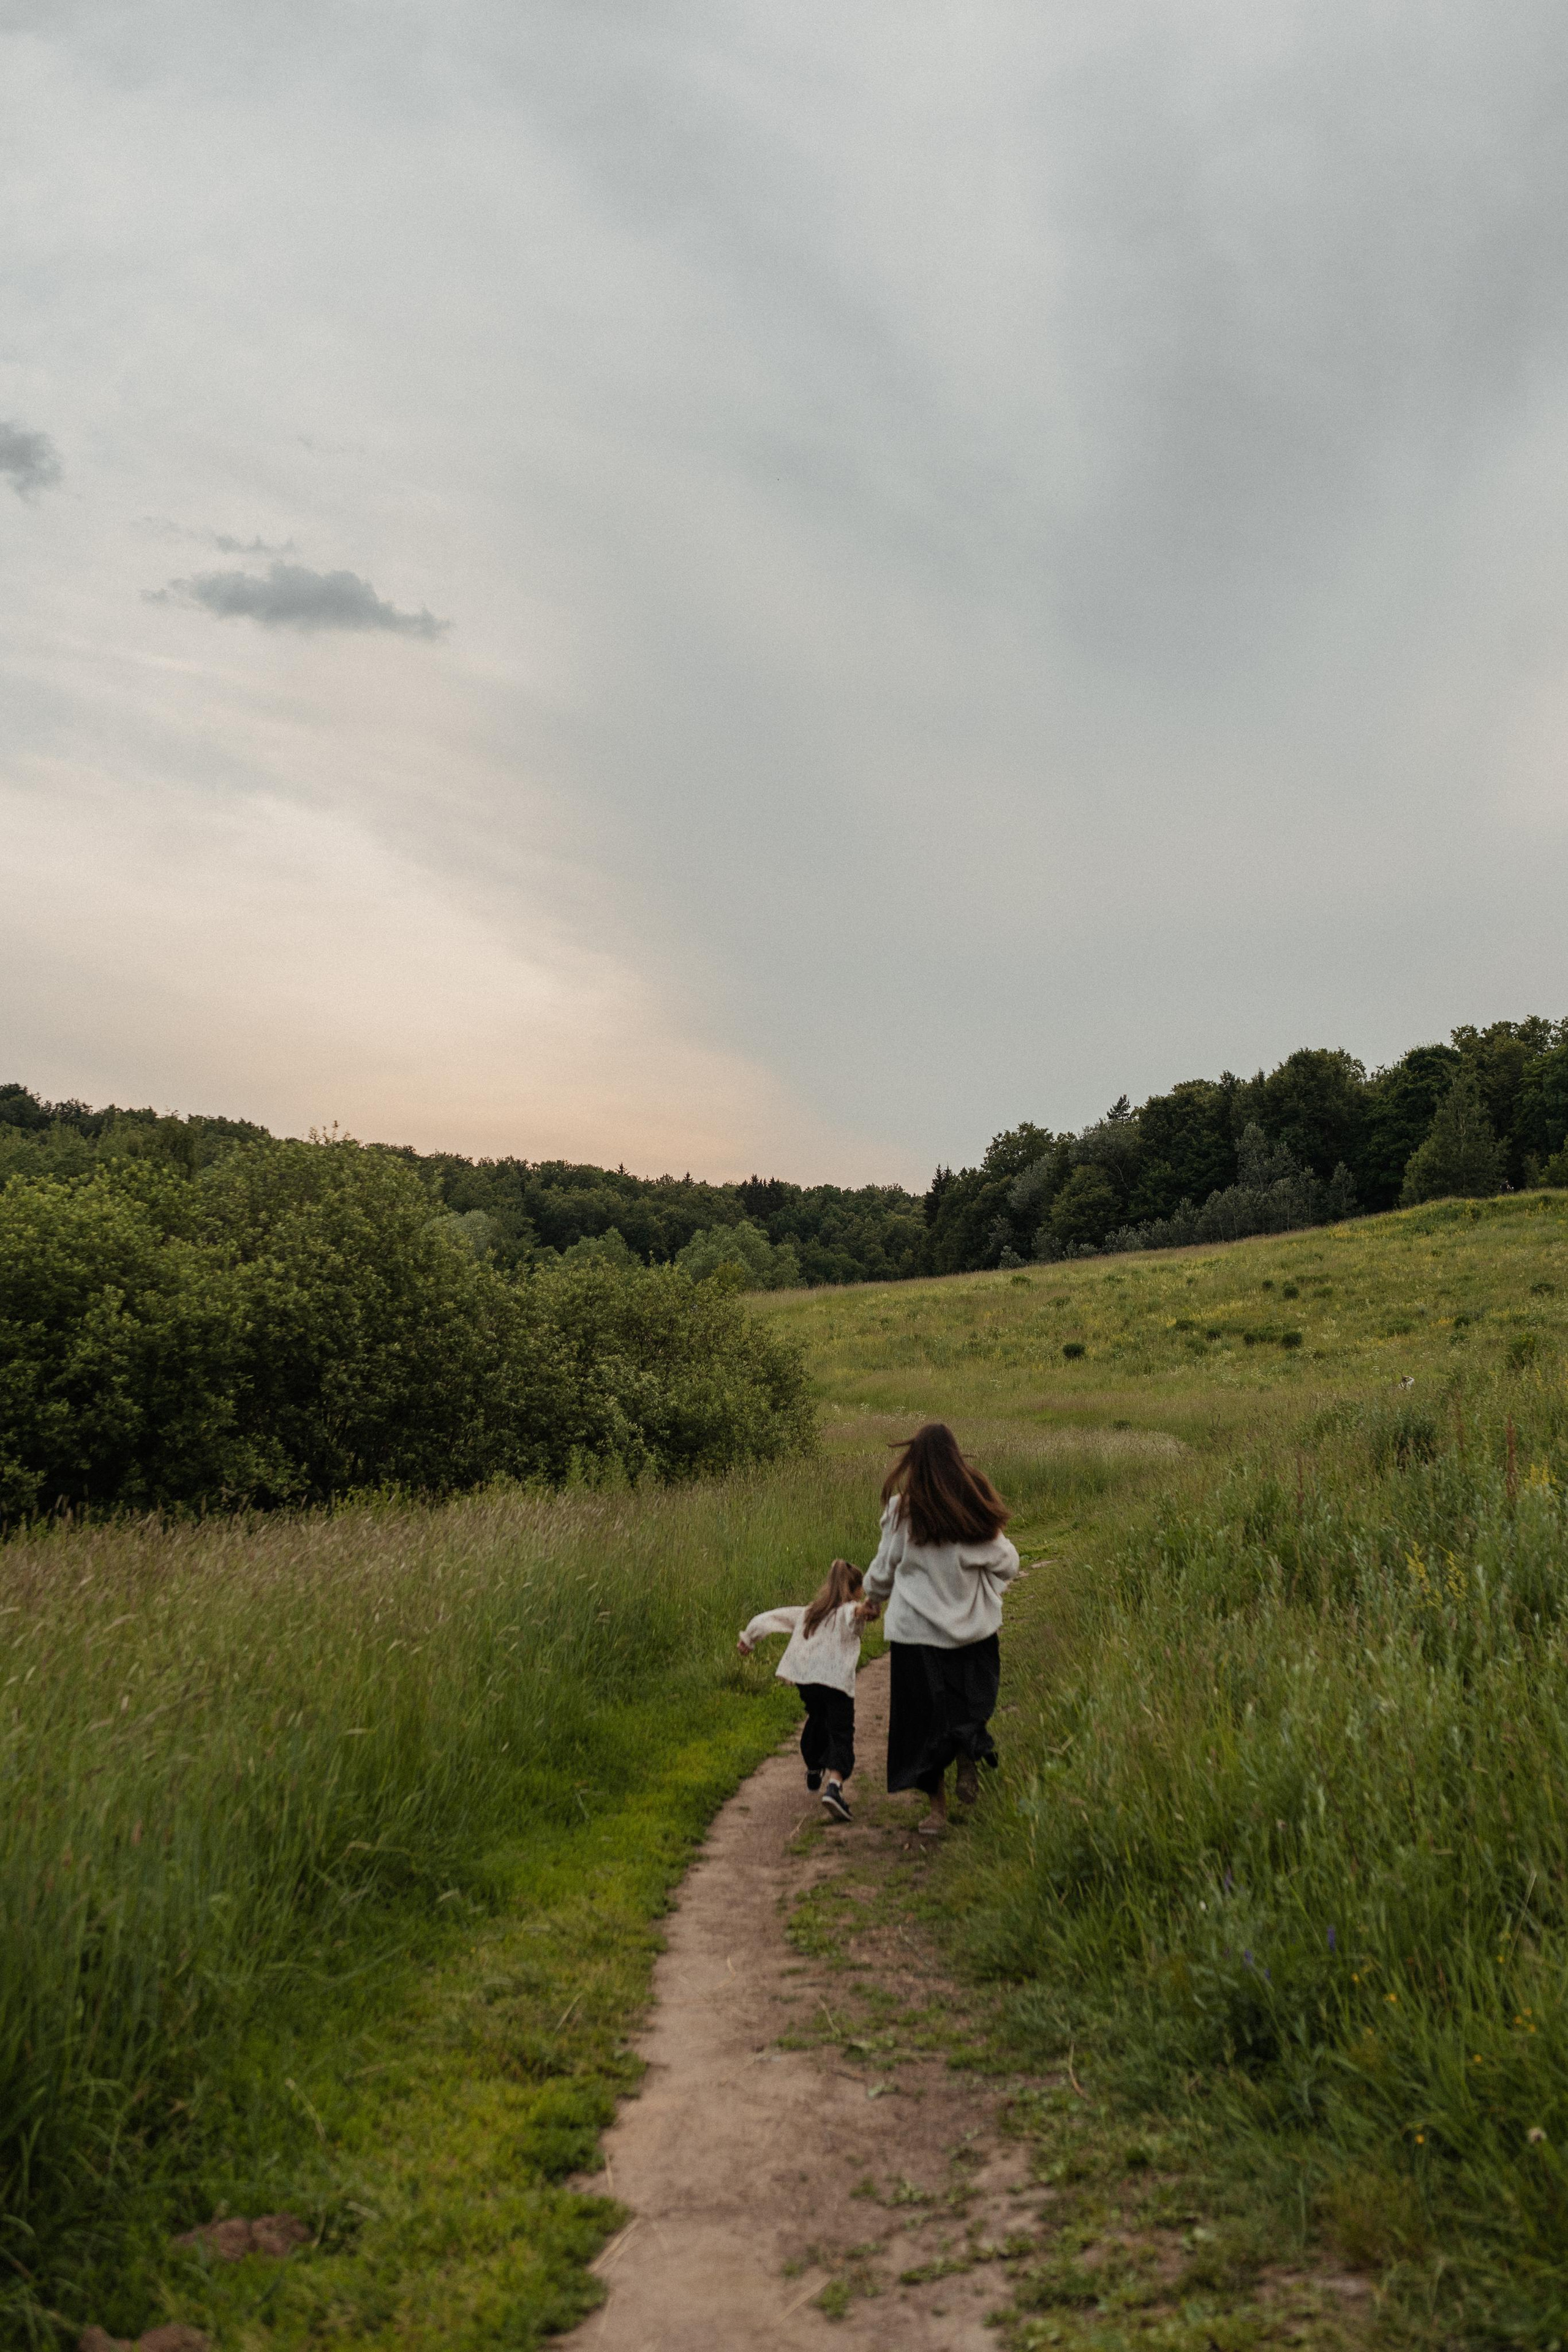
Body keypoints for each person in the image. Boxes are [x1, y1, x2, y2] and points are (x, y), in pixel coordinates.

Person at [857, 1423, 1019, 1836]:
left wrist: (873, 1597)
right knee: (968, 1705)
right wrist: (978, 1574)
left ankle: (937, 1813)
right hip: (973, 1635)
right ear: (955, 1456)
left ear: (915, 1461)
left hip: (916, 1636)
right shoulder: (973, 1506)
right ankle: (967, 1755)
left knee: (922, 1723)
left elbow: (884, 1567)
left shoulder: (902, 1511)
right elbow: (1008, 1563)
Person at [737, 1558, 865, 1822]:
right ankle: (834, 1788)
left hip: (807, 1681)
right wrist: (867, 1610)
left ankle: (814, 1765)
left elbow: (771, 1618)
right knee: (841, 1731)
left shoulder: (810, 1611)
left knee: (818, 1719)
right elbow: (854, 1616)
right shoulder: (850, 1610)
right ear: (855, 1590)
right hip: (835, 1681)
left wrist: (749, 1638)